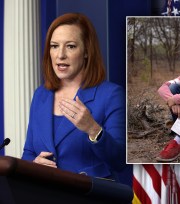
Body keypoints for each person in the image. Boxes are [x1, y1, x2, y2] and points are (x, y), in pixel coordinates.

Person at [22, 13, 126, 182]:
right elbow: (29, 152)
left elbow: (119, 161)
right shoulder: (40, 95)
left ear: (86, 51)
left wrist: (93, 129)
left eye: (70, 46)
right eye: (54, 46)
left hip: (89, 197)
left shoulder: (110, 95)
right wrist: (34, 164)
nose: (60, 55)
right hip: (44, 194)